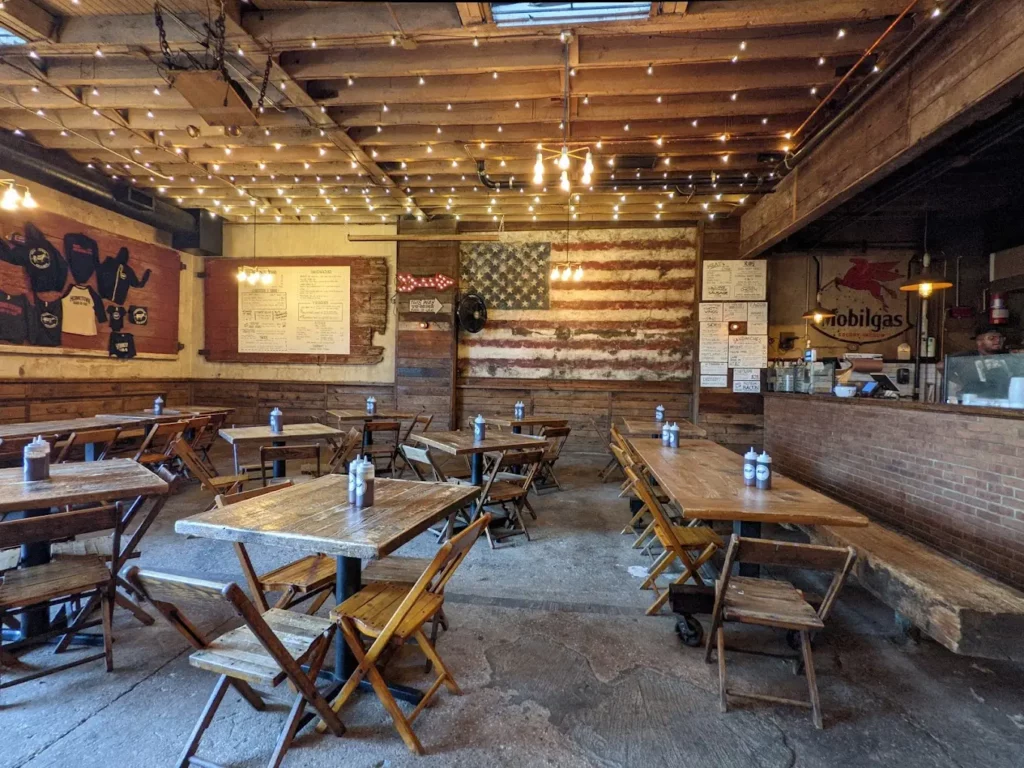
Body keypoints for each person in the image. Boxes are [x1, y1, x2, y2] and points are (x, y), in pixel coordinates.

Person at [946, 324, 1015, 399]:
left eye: (1001, 338)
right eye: (992, 338)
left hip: (1003, 401)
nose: (998, 340)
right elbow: (941, 366)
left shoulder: (1007, 356)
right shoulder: (966, 357)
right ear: (979, 342)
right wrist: (960, 381)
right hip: (974, 401)